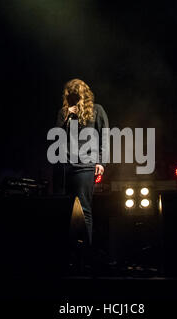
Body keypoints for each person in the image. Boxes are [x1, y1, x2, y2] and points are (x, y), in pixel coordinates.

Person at [55, 78, 109, 246]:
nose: (73, 97)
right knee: (65, 209)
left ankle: (86, 253)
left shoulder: (97, 110)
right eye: (70, 95)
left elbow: (105, 137)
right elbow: (55, 137)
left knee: (84, 208)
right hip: (64, 165)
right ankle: (68, 251)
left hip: (85, 165)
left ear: (83, 94)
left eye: (76, 94)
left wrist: (101, 162)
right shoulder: (64, 113)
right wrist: (66, 117)